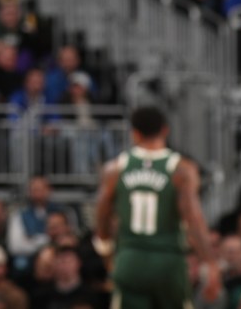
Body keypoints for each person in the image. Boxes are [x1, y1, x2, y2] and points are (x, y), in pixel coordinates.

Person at [94, 106, 222, 308]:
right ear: (165, 130)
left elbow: (102, 213)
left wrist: (105, 249)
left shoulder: (115, 168)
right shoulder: (182, 169)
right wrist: (210, 263)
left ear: (134, 133)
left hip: (130, 258)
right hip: (168, 261)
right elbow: (194, 219)